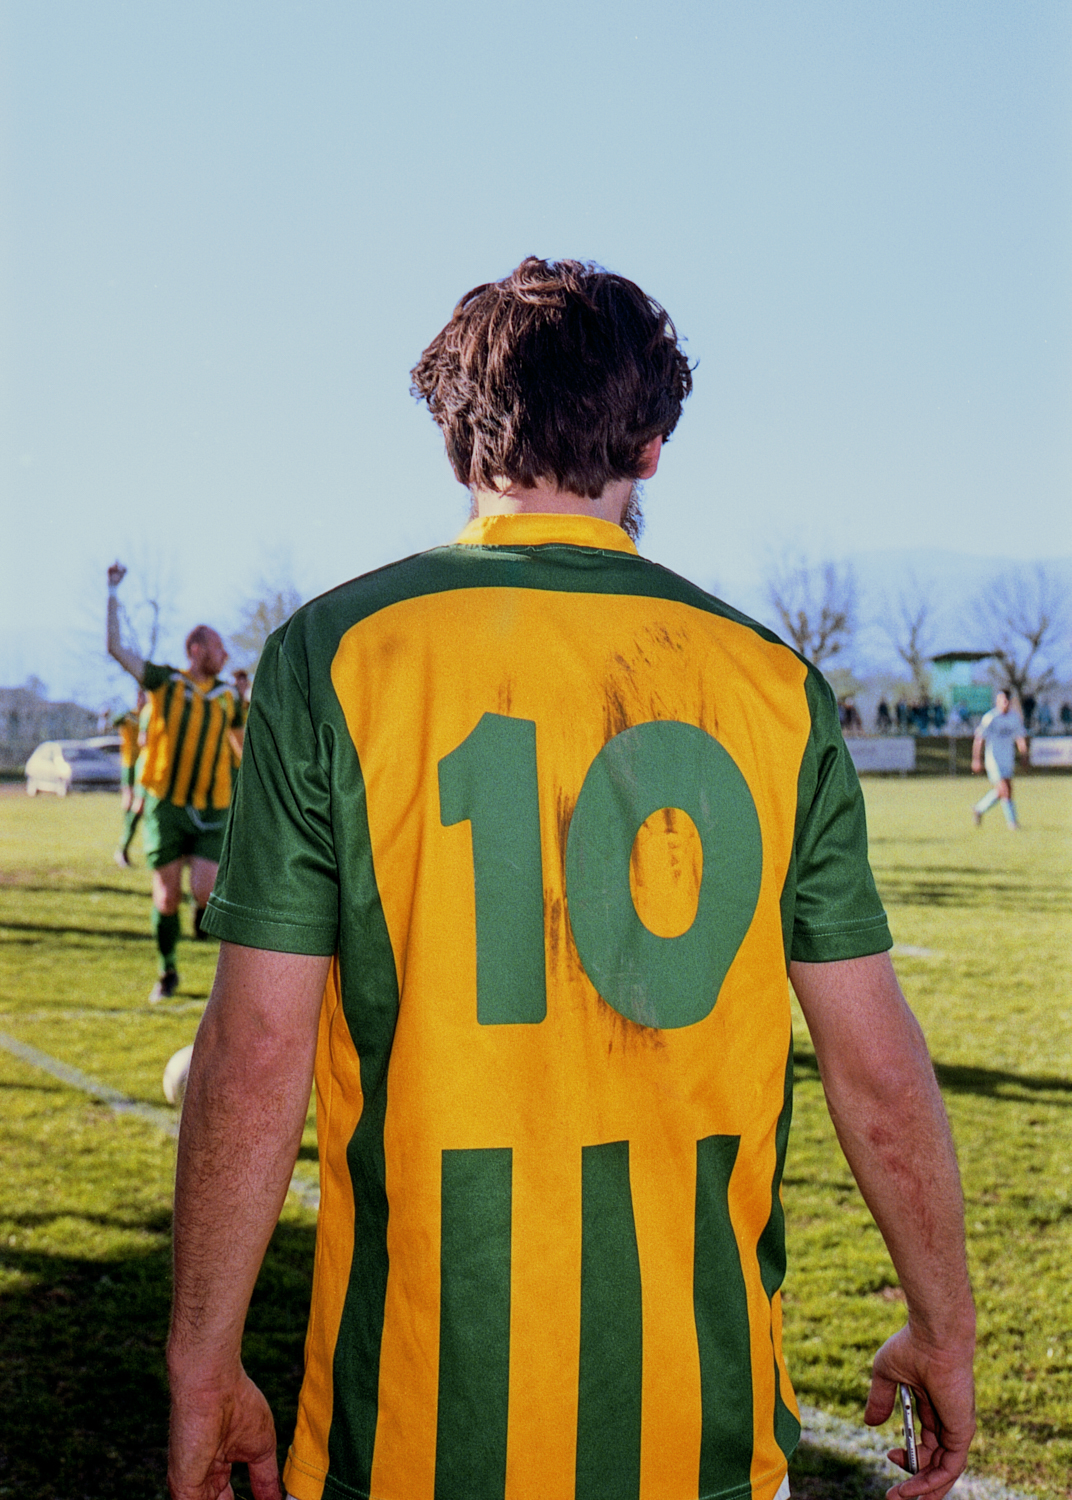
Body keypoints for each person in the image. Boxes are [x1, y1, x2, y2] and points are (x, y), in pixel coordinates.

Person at [168, 258, 975, 1500]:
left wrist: (201, 1360)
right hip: (699, 1431)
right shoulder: (773, 683)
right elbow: (874, 1066)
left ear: (456, 444)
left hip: (412, 1430)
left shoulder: (338, 653)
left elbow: (257, 1050)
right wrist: (942, 1321)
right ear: (651, 448)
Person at [106, 564, 245, 1000]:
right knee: (166, 897)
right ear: (196, 649)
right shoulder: (166, 682)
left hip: (213, 806)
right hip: (167, 804)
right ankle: (167, 972)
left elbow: (242, 747)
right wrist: (112, 592)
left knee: (205, 890)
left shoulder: (228, 697)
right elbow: (116, 649)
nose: (225, 655)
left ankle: (200, 917)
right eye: (218, 647)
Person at [971, 689, 1027, 830]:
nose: (1005, 703)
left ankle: (979, 809)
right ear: (997, 701)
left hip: (1007, 759)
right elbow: (979, 739)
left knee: (1004, 790)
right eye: (1003, 701)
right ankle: (1012, 823)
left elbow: (1020, 737)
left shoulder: (1014, 718)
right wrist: (976, 759)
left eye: (1007, 701)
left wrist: (1024, 754)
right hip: (993, 760)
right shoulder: (991, 718)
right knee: (1005, 789)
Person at [112, 689, 146, 868]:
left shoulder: (149, 715)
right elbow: (113, 721)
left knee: (140, 805)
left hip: (144, 764)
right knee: (131, 801)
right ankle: (124, 845)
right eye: (139, 696)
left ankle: (125, 844)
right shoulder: (128, 716)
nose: (142, 700)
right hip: (129, 764)